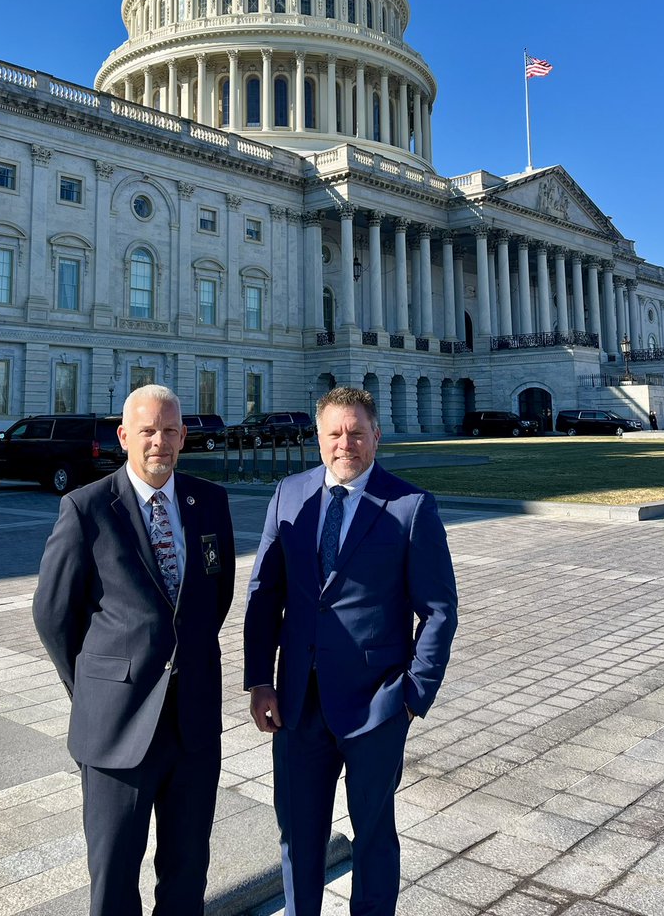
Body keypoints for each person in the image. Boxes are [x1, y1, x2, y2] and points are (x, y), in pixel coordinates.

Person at [244, 386, 458, 916]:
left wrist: (413, 694)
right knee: (298, 837)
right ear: (318, 438)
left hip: (375, 706)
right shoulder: (288, 495)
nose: (347, 444)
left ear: (376, 436)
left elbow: (438, 609)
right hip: (297, 703)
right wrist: (259, 680)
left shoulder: (410, 507)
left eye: (357, 433)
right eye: (335, 433)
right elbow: (264, 594)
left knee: (374, 838)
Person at [33, 384, 235, 916]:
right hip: (117, 727)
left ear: (184, 436)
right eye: (147, 431)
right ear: (124, 436)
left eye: (170, 431)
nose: (159, 442)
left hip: (192, 725)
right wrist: (98, 684)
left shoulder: (209, 502)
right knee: (116, 878)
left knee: (188, 870)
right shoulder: (86, 508)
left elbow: (217, 594)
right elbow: (53, 615)